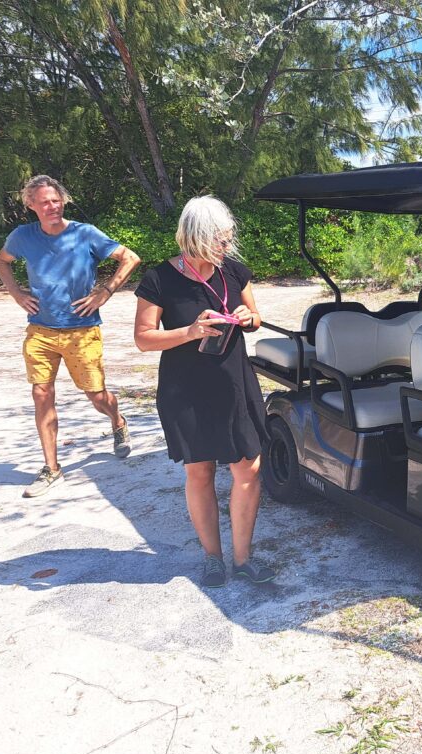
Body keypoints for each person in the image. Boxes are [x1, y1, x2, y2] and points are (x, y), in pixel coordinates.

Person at [133, 195, 274, 588]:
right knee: (200, 471)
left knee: (249, 468)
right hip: (187, 388)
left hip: (234, 383)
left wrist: (249, 318)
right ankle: (213, 558)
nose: (226, 248)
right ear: (195, 237)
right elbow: (143, 339)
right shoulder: (160, 279)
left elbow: (256, 318)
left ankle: (243, 559)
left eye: (228, 240)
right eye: (220, 241)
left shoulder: (233, 271)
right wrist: (190, 331)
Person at [0, 175, 140, 498]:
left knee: (97, 396)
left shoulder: (84, 233)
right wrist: (17, 293)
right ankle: (52, 467)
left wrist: (105, 292)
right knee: (41, 392)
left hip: (82, 331)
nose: (52, 206)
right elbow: (2, 262)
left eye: (56, 200)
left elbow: (130, 258)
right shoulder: (22, 236)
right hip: (40, 331)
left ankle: (117, 421)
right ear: (31, 205)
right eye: (44, 201)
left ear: (63, 201)